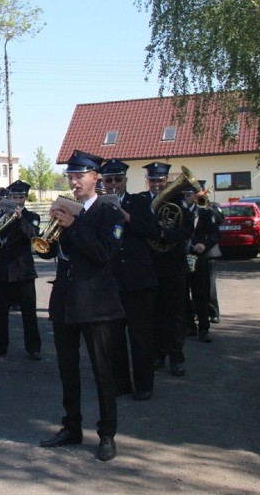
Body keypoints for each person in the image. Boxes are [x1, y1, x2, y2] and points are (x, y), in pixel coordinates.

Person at [37, 150, 125, 462]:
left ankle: (107, 434)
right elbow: (51, 253)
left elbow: (103, 254)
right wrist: (46, 235)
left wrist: (74, 225)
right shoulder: (66, 209)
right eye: (71, 176)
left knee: (103, 371)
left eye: (80, 176)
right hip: (64, 301)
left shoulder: (108, 212)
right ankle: (71, 426)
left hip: (97, 302)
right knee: (67, 369)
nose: (74, 182)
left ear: (95, 177)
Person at [100, 159, 160, 401]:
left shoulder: (140, 202)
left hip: (138, 280)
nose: (113, 184)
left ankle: (144, 385)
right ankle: (120, 383)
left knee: (141, 336)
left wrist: (128, 217)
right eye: (108, 180)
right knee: (113, 337)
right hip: (112, 281)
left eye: (118, 179)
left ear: (125, 180)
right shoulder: (98, 207)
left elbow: (155, 231)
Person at [141, 162, 194, 377]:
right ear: (148, 180)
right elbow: (139, 228)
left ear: (166, 180)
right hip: (150, 266)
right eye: (153, 179)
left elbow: (186, 230)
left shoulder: (177, 202)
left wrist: (163, 235)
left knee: (176, 315)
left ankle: (176, 357)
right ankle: (157, 354)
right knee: (153, 314)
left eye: (160, 180)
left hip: (174, 267)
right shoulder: (141, 202)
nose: (156, 184)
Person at [0, 180, 42, 360]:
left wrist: (20, 219)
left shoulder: (31, 216)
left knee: (28, 312)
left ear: (25, 198)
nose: (17, 201)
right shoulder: (1, 215)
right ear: (9, 197)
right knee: (1, 312)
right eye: (14, 197)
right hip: (2, 270)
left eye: (21, 197)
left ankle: (33, 347)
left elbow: (33, 235)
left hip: (23, 271)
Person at [183, 180, 222, 343]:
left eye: (189, 194)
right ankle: (190, 325)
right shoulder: (180, 212)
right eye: (184, 195)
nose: (187, 197)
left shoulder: (205, 212)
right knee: (183, 293)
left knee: (200, 293)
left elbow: (215, 234)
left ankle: (204, 328)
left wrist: (204, 245)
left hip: (199, 257)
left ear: (195, 195)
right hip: (182, 257)